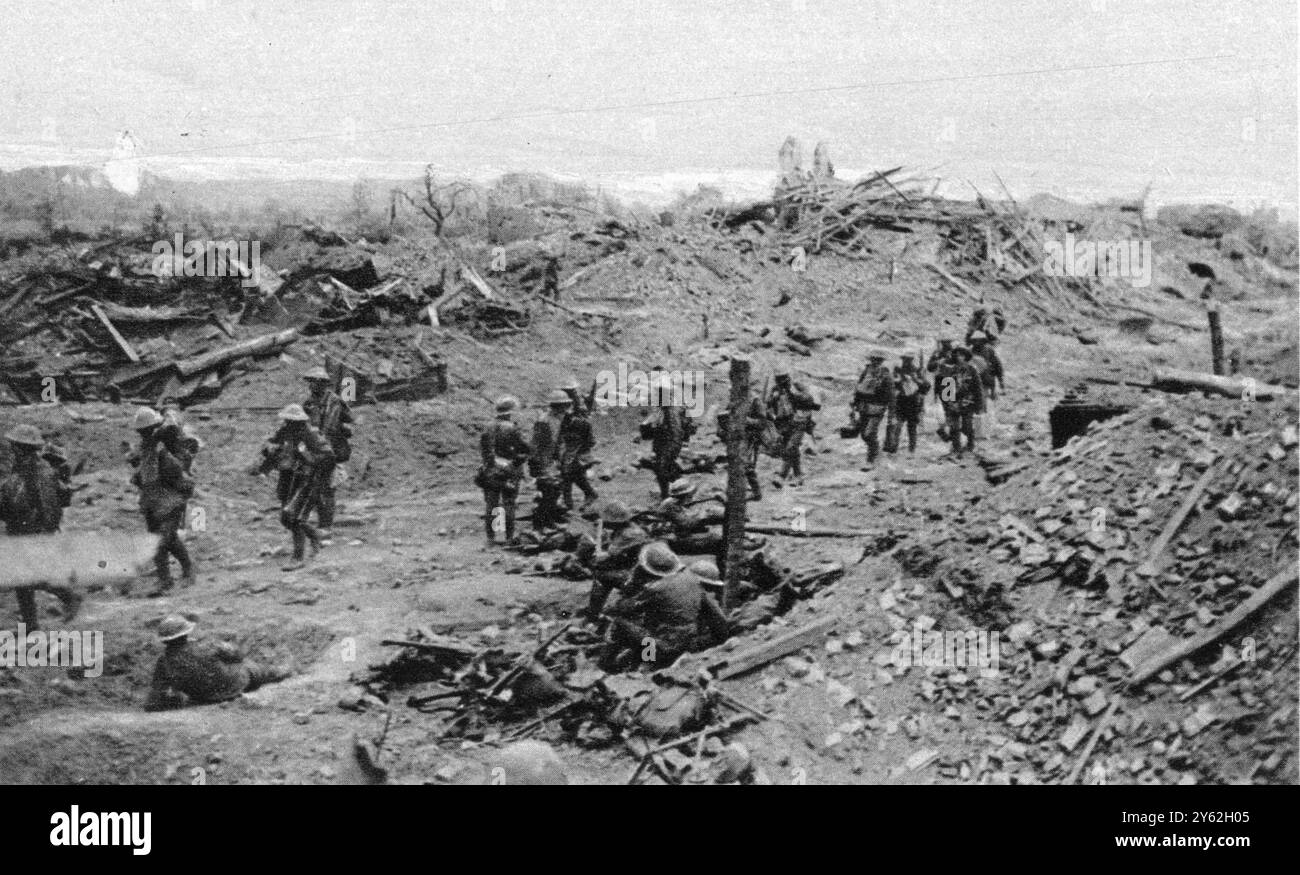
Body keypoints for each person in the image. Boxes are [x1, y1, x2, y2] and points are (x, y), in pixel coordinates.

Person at [0, 424, 81, 630]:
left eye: (15, 446)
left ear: (22, 448)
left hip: (34, 533)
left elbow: (49, 508)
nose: (11, 449)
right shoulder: (22, 469)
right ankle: (31, 624)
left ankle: (69, 596)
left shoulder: (40, 472)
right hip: (20, 531)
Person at [603, 542, 729, 669]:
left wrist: (631, 583)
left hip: (663, 649)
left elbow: (616, 609)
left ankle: (610, 666)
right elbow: (718, 619)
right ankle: (642, 659)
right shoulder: (693, 581)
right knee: (649, 627)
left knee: (619, 624)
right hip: (688, 646)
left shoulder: (656, 589)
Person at [145, 615, 289, 710]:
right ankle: (279, 672)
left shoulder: (163, 662)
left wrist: (177, 699)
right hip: (233, 686)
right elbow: (238, 655)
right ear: (186, 633)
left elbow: (154, 697)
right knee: (248, 666)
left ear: (164, 640)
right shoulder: (206, 645)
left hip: (201, 698)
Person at [256, 404, 334, 570]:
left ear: (297, 421)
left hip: (306, 480)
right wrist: (268, 453)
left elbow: (327, 456)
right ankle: (315, 535)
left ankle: (298, 557)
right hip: (288, 479)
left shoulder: (311, 434)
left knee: (294, 517)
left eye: (289, 420)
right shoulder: (286, 432)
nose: (286, 423)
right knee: (286, 519)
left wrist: (307, 458)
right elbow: (273, 446)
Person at [129, 407, 195, 594]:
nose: (143, 433)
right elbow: (144, 474)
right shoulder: (145, 448)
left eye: (145, 430)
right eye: (141, 431)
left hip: (169, 501)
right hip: (152, 501)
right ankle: (179, 572)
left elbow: (177, 475)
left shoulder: (163, 449)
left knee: (162, 540)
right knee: (165, 539)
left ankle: (172, 577)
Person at [302, 366, 354, 538]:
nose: (311, 386)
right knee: (312, 486)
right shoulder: (309, 402)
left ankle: (326, 526)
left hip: (328, 450)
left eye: (314, 382)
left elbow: (340, 424)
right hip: (314, 450)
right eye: (310, 382)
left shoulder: (334, 402)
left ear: (322, 383)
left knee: (326, 488)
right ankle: (316, 523)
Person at [476, 395, 531, 546]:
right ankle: (507, 538)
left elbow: (483, 449)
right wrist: (516, 463)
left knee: (492, 503)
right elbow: (525, 449)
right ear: (510, 412)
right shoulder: (512, 428)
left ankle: (493, 538)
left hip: (490, 470)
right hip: (509, 471)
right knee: (508, 503)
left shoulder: (488, 427)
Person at [581, 500, 650, 620]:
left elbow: (604, 557)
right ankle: (593, 613)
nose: (604, 522)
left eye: (607, 521)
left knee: (601, 575)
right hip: (635, 569)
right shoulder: (627, 529)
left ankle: (594, 614)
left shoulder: (629, 535)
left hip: (637, 576)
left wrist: (590, 561)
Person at [640, 375, 692, 499]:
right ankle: (668, 494)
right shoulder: (661, 409)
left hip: (670, 443)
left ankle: (679, 492)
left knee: (663, 468)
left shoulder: (672, 409)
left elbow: (677, 431)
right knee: (662, 469)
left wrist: (673, 447)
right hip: (662, 443)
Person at [766, 370, 818, 485]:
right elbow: (768, 405)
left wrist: (793, 394)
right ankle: (798, 476)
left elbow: (810, 400)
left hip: (799, 422)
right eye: (779, 381)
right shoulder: (775, 390)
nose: (782, 384)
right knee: (792, 451)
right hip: (783, 424)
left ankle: (781, 476)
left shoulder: (796, 387)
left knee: (790, 448)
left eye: (784, 380)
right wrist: (774, 399)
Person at [530, 390, 571, 531]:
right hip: (543, 461)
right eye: (563, 405)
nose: (565, 408)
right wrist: (536, 464)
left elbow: (558, 441)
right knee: (548, 492)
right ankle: (541, 523)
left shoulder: (559, 419)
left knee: (555, 491)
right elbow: (535, 444)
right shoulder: (544, 421)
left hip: (551, 460)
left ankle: (550, 519)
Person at [936, 346, 985, 458]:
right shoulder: (949, 370)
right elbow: (945, 391)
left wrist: (979, 404)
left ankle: (970, 445)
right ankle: (956, 448)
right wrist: (947, 406)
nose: (959, 358)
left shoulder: (972, 370)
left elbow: (978, 388)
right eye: (957, 355)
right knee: (954, 427)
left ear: (966, 357)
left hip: (968, 403)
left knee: (967, 426)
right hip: (953, 404)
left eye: (962, 355)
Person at [715, 394, 765, 501]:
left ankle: (756, 492)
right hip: (734, 438)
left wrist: (744, 420)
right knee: (732, 464)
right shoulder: (733, 402)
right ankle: (735, 489)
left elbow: (762, 423)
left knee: (746, 465)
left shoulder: (754, 401)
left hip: (750, 438)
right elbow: (724, 419)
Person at [557, 379, 598, 510]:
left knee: (568, 472)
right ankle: (587, 494)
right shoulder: (569, 404)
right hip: (570, 443)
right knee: (572, 474)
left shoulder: (578, 407)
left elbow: (584, 424)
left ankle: (569, 502)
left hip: (577, 443)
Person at [851, 353, 895, 465]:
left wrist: (891, 414)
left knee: (869, 434)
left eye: (878, 360)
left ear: (881, 362)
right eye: (873, 360)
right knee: (863, 434)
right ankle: (875, 450)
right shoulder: (866, 372)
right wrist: (854, 404)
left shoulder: (886, 376)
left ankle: (871, 460)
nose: (875, 362)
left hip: (877, 408)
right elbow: (859, 388)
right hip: (863, 407)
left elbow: (891, 396)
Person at [893, 354, 930, 454]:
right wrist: (898, 381)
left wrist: (915, 379)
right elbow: (893, 385)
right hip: (901, 401)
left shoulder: (917, 371)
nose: (906, 362)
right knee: (897, 427)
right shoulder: (898, 370)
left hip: (913, 403)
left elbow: (926, 386)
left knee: (912, 428)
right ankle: (894, 448)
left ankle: (911, 450)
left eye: (908, 360)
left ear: (911, 361)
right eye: (905, 360)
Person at [968, 331, 1004, 398]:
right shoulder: (970, 350)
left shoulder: (989, 349)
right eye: (975, 340)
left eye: (979, 340)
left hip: (987, 377)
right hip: (974, 378)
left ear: (983, 340)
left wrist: (1000, 380)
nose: (977, 342)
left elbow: (997, 364)